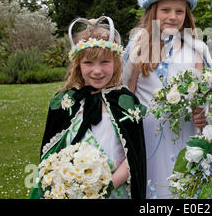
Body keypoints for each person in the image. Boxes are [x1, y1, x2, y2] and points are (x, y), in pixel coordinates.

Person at [122, 0, 212, 199]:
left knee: (183, 188)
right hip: (147, 131)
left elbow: (211, 94)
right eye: (165, 10)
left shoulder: (197, 49)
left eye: (179, 11)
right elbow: (124, 93)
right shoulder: (138, 46)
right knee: (153, 185)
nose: (172, 17)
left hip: (184, 132)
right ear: (152, 12)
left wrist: (203, 111)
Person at [30, 16, 146, 199]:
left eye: (105, 62)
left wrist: (105, 188)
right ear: (78, 65)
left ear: (116, 63)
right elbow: (52, 155)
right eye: (88, 63)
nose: (97, 70)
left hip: (115, 190)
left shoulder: (125, 102)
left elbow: (133, 156)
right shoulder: (65, 102)